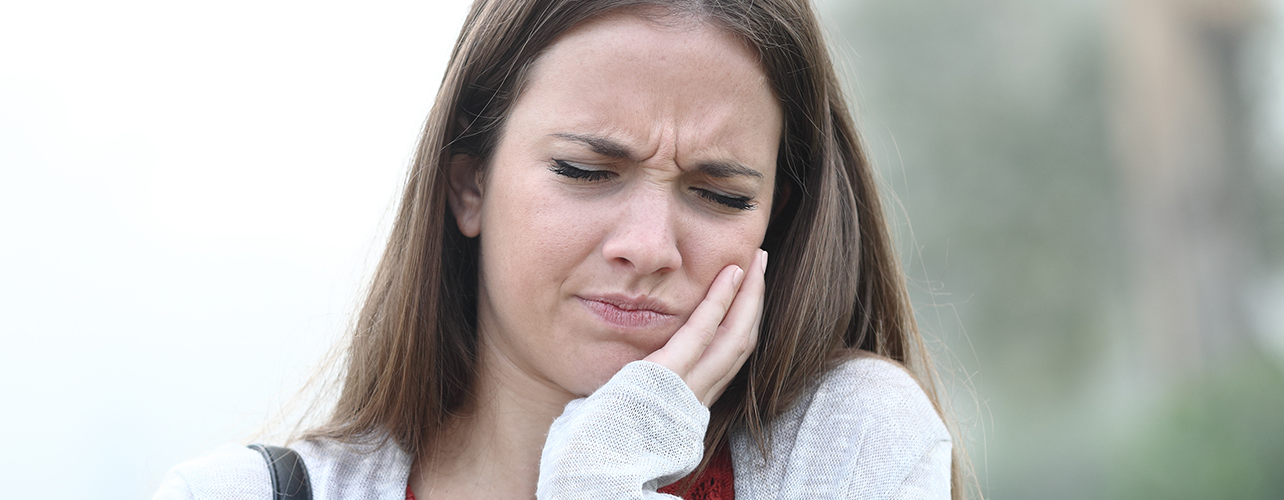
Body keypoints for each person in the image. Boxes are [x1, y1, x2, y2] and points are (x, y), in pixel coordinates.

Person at [157, 0, 959, 498]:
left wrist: (602, 476)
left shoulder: (844, 443)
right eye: (587, 170)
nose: (648, 248)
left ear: (777, 222)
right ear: (468, 186)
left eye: (720, 195)